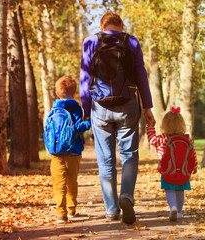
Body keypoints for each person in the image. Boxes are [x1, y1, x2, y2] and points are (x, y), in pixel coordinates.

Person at [79, 12, 155, 224]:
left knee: (105, 160)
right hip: (128, 104)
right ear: (121, 25)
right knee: (130, 155)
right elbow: (141, 74)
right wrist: (148, 107)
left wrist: (86, 110)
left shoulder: (91, 41)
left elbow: (84, 78)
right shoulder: (130, 41)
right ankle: (127, 197)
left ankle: (112, 210)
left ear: (101, 25)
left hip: (99, 106)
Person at [50, 76, 91, 223]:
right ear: (74, 93)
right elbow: (78, 127)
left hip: (56, 151)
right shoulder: (76, 108)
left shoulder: (54, 109)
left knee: (59, 182)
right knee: (71, 181)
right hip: (73, 151)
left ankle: (61, 214)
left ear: (57, 93)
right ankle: (72, 209)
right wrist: (89, 123)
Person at [146, 107, 198, 221]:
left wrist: (150, 127)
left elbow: (151, 140)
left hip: (167, 170)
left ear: (165, 125)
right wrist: (195, 167)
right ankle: (179, 212)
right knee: (180, 190)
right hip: (183, 171)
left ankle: (173, 207)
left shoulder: (163, 139)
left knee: (169, 189)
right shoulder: (187, 139)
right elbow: (192, 154)